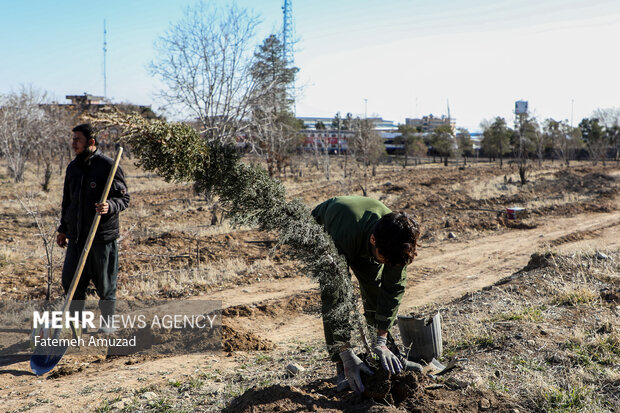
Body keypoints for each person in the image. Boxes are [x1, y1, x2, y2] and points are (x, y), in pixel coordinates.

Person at [311, 196, 420, 393]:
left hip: (363, 235)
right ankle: (342, 365)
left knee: (375, 291)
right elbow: (333, 298)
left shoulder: (395, 239)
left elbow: (392, 289)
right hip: (328, 228)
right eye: (383, 259)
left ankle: (383, 352)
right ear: (373, 240)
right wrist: (345, 353)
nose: (386, 263)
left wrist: (381, 340)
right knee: (339, 292)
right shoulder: (344, 238)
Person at [56, 124, 129, 332]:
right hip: (76, 238)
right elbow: (67, 202)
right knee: (71, 281)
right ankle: (78, 326)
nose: (73, 144)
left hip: (101, 238)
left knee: (105, 285)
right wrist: (63, 229)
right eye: (73, 140)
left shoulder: (108, 166)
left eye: (77, 140)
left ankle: (107, 325)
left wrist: (110, 206)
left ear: (91, 142)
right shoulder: (73, 168)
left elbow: (124, 199)